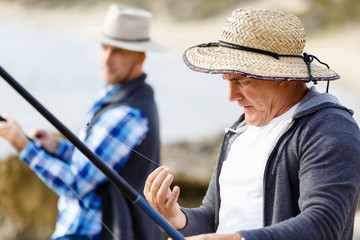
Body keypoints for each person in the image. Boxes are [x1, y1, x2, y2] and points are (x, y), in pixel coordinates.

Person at [144, 8, 360, 240]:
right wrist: (177, 217)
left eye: (242, 81)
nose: (231, 95)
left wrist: (234, 239)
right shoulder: (239, 131)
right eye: (227, 81)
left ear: (284, 77)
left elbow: (324, 226)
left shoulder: (330, 129)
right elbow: (213, 217)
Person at [0, 4, 166, 240]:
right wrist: (58, 148)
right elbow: (96, 163)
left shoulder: (127, 114)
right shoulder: (118, 94)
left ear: (140, 57)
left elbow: (76, 183)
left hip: (91, 233)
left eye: (118, 51)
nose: (107, 58)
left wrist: (21, 145)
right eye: (105, 47)